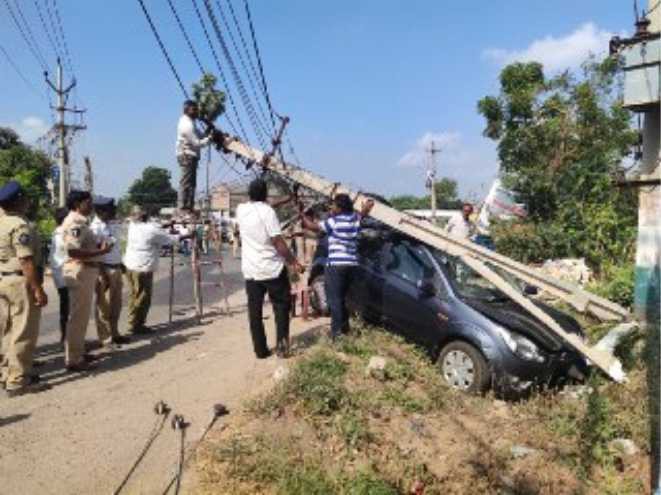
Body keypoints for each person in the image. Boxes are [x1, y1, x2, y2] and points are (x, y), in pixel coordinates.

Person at [236, 179, 303, 359]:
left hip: (251, 271)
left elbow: (265, 205)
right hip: (272, 269)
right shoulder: (268, 212)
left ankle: (260, 350)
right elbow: (278, 242)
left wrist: (288, 198)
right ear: (265, 194)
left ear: (249, 194)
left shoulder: (241, 210)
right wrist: (294, 261)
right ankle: (282, 348)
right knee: (281, 308)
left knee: (254, 312)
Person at [300, 194, 374, 340]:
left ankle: (337, 335)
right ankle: (345, 330)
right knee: (343, 299)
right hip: (351, 265)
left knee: (334, 300)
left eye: (333, 205)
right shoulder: (354, 219)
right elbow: (363, 213)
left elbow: (311, 226)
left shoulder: (334, 222)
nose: (331, 207)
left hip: (336, 265)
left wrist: (301, 213)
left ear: (340, 208)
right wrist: (367, 205)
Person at [0, 181, 49, 396]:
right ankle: (18, 380)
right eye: (25, 198)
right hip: (20, 281)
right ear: (18, 200)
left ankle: (6, 373)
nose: (28, 202)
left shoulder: (1, 222)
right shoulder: (19, 225)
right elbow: (26, 260)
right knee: (23, 331)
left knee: (8, 330)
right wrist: (37, 288)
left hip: (4, 279)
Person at [62, 190, 112, 372]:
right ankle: (74, 359)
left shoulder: (82, 221)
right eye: (88, 202)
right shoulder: (75, 222)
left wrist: (98, 249)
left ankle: (78, 353)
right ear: (78, 204)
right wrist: (101, 252)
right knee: (78, 318)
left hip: (86, 271)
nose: (91, 206)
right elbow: (73, 251)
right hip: (81, 271)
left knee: (80, 318)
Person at [123, 206, 176, 335]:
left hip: (130, 265)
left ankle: (134, 323)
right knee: (142, 297)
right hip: (142, 267)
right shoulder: (150, 229)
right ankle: (135, 325)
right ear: (144, 217)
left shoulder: (132, 225)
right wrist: (186, 235)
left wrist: (166, 225)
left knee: (134, 295)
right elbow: (169, 240)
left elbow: (155, 229)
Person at [90, 197, 130, 348]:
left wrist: (121, 264)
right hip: (104, 270)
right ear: (101, 211)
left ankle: (115, 333)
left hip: (116, 267)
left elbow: (116, 247)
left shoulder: (110, 225)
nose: (114, 212)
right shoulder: (95, 228)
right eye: (111, 209)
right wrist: (101, 273)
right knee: (103, 307)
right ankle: (105, 339)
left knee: (116, 304)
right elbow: (96, 253)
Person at [176, 100, 212, 213]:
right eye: (194, 109)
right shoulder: (187, 125)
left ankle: (188, 206)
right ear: (187, 110)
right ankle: (183, 207)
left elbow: (201, 135)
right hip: (187, 155)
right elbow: (197, 143)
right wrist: (210, 139)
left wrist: (209, 131)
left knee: (191, 184)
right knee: (186, 182)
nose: (197, 111)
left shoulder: (191, 122)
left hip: (190, 155)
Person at [49, 207, 69, 344]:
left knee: (65, 308)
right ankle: (68, 339)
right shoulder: (65, 235)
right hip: (67, 276)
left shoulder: (55, 233)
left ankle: (65, 337)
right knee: (70, 310)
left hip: (59, 276)